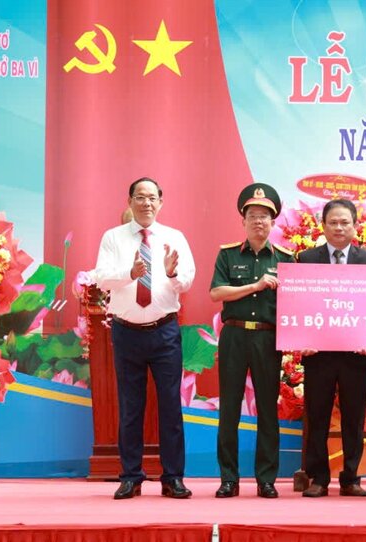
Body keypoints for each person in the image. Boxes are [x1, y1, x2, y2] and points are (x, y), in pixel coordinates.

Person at [93, 177, 195, 500]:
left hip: (164, 331)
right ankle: (131, 476)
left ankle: (173, 477)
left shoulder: (174, 237)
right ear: (130, 201)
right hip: (126, 332)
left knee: (170, 407)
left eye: (152, 197)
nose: (146, 203)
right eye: (140, 197)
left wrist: (171, 273)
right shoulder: (113, 238)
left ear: (161, 202)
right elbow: (102, 279)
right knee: (130, 406)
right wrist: (131, 274)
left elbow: (188, 280)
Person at [209, 183, 294, 499]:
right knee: (229, 409)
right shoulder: (228, 255)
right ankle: (228, 478)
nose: (258, 222)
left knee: (268, 413)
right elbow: (217, 293)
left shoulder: (287, 258)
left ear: (273, 223)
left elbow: (297, 304)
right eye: (253, 216)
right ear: (243, 221)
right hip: (234, 335)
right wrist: (256, 285)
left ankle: (266, 479)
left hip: (268, 338)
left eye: (265, 217)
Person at [296, 199, 366, 498]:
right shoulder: (306, 259)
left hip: (356, 354)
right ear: (324, 226)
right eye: (333, 222)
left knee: (354, 418)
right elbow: (299, 303)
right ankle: (318, 478)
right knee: (316, 415)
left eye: (345, 222)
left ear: (355, 226)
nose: (339, 228)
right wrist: (300, 338)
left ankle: (351, 477)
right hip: (318, 354)